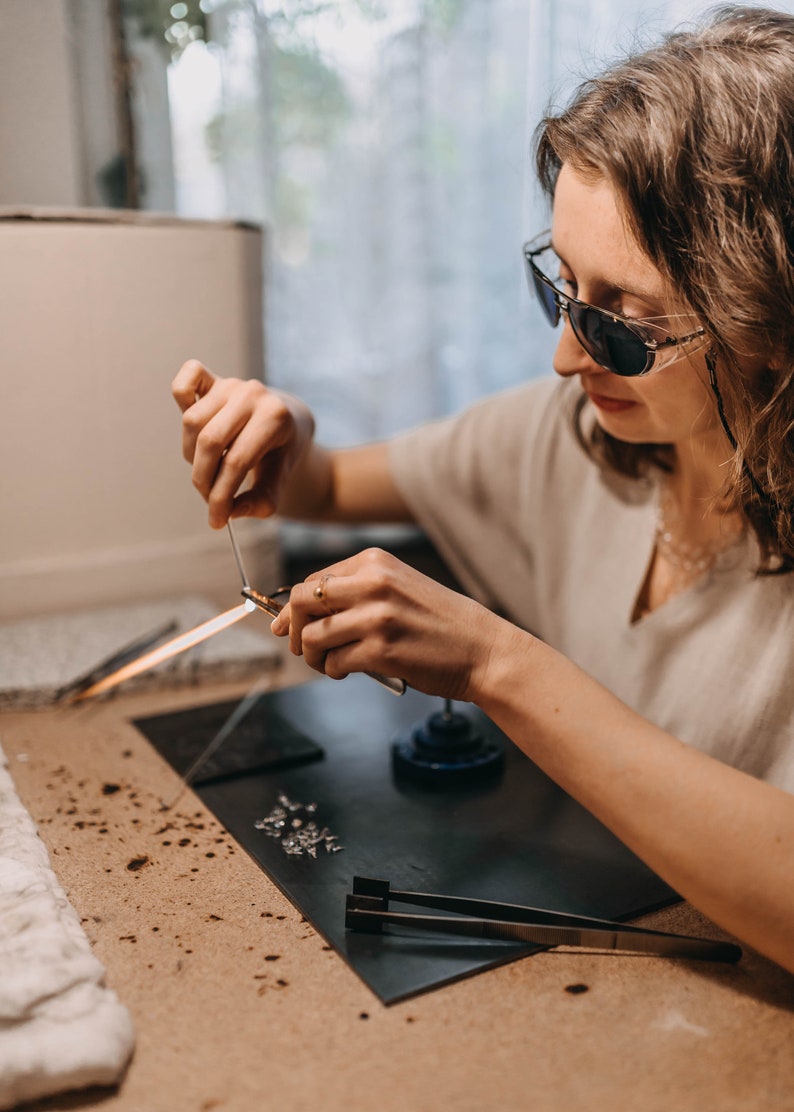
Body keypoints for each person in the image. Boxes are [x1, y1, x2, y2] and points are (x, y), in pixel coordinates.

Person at [172, 5, 794, 974]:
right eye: (559, 292)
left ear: (764, 317)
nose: (561, 357)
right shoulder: (573, 435)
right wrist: (283, 444)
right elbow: (329, 482)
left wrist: (497, 666)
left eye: (620, 325)